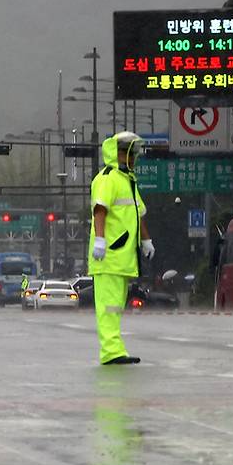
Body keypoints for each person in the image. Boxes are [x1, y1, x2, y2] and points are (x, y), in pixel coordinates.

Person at [88, 131, 155, 365]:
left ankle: (115, 349)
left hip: (124, 255)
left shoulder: (128, 181)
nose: (131, 157)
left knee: (115, 306)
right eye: (126, 152)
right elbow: (100, 209)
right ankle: (111, 352)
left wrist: (146, 240)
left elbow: (139, 213)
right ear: (114, 153)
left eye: (133, 153)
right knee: (108, 307)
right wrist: (100, 240)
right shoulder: (106, 178)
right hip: (108, 254)